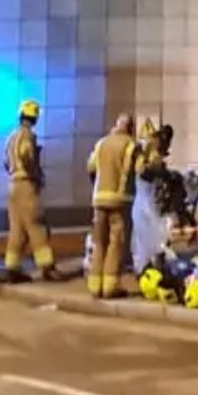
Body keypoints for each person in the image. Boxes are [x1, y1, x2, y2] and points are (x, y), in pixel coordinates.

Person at [3, 99, 59, 282]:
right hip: (26, 186)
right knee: (37, 226)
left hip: (13, 186)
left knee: (17, 230)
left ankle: (12, 268)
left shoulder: (11, 138)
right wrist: (33, 169)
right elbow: (26, 154)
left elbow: (6, 162)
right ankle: (47, 267)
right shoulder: (27, 135)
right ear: (33, 117)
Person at [85, 114, 140, 299]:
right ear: (131, 127)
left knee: (99, 241)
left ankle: (94, 285)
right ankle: (110, 286)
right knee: (116, 242)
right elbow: (141, 170)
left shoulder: (101, 143)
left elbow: (91, 167)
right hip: (120, 200)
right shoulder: (132, 146)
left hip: (99, 199)